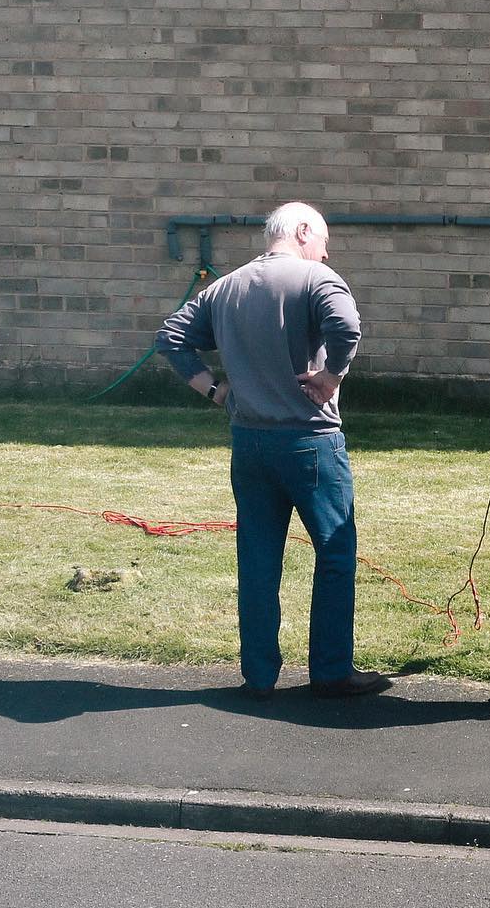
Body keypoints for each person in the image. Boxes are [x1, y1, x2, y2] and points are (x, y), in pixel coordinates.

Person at [155, 202, 390, 700]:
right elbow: (348, 329)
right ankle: (330, 672)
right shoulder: (316, 279)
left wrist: (217, 392)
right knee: (334, 553)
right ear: (303, 230)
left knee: (258, 559)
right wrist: (331, 376)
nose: (326, 253)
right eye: (323, 241)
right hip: (310, 442)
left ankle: (259, 675)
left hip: (249, 442)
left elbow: (171, 337)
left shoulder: (223, 287)